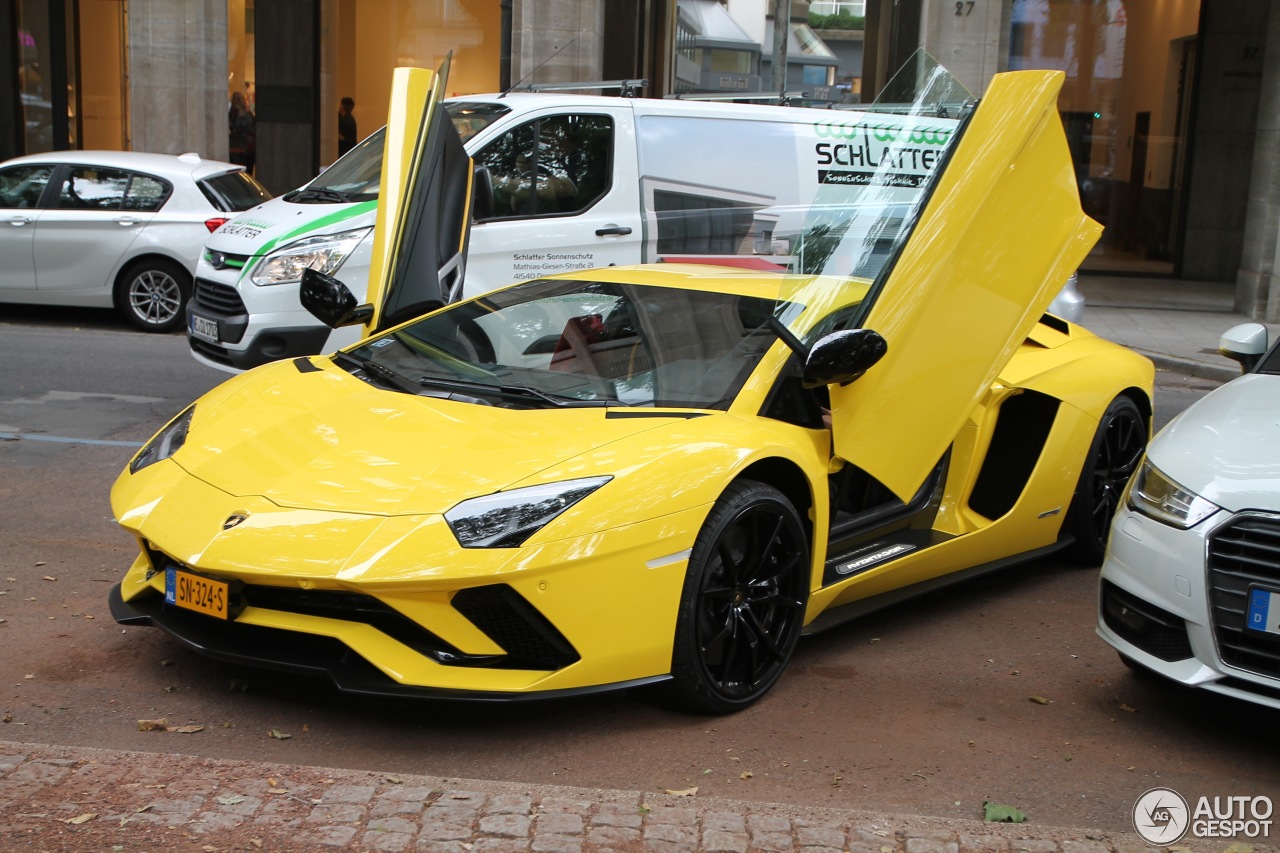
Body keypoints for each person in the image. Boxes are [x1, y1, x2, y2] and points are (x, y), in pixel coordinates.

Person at [228, 90, 256, 174]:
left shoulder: (231, 115)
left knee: (235, 173)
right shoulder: (248, 115)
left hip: (236, 147)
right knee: (247, 173)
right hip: (246, 148)